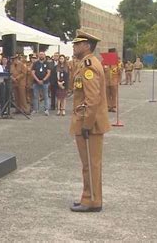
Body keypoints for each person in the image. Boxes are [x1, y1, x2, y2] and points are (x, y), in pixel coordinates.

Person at [69, 30, 110, 212]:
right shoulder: (85, 64)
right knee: (89, 164)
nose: (74, 46)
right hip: (87, 122)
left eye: (77, 44)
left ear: (86, 46)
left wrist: (86, 125)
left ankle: (92, 200)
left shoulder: (88, 66)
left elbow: (92, 100)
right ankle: (89, 196)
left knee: (91, 164)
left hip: (90, 124)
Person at [31, 51, 51, 116]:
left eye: (42, 54)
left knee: (46, 96)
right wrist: (37, 80)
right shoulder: (35, 63)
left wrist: (43, 80)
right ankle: (35, 109)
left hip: (45, 82)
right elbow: (33, 72)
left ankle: (46, 110)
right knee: (35, 96)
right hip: (36, 82)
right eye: (40, 54)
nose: (41, 55)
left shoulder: (47, 63)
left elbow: (48, 72)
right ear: (38, 55)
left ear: (44, 55)